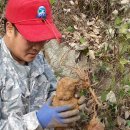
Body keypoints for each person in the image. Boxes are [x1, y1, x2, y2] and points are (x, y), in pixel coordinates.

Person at [0, 0, 86, 129]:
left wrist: (67, 104)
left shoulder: (38, 59)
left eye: (42, 40)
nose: (37, 47)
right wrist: (37, 120)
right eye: (31, 39)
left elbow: (52, 91)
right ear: (10, 29)